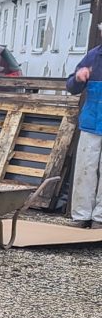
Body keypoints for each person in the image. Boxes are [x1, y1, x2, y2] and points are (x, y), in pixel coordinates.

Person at [66, 33, 102, 228]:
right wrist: (79, 78)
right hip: (91, 122)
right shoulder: (93, 56)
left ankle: (100, 219)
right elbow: (71, 86)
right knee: (85, 169)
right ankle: (81, 216)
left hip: (93, 120)